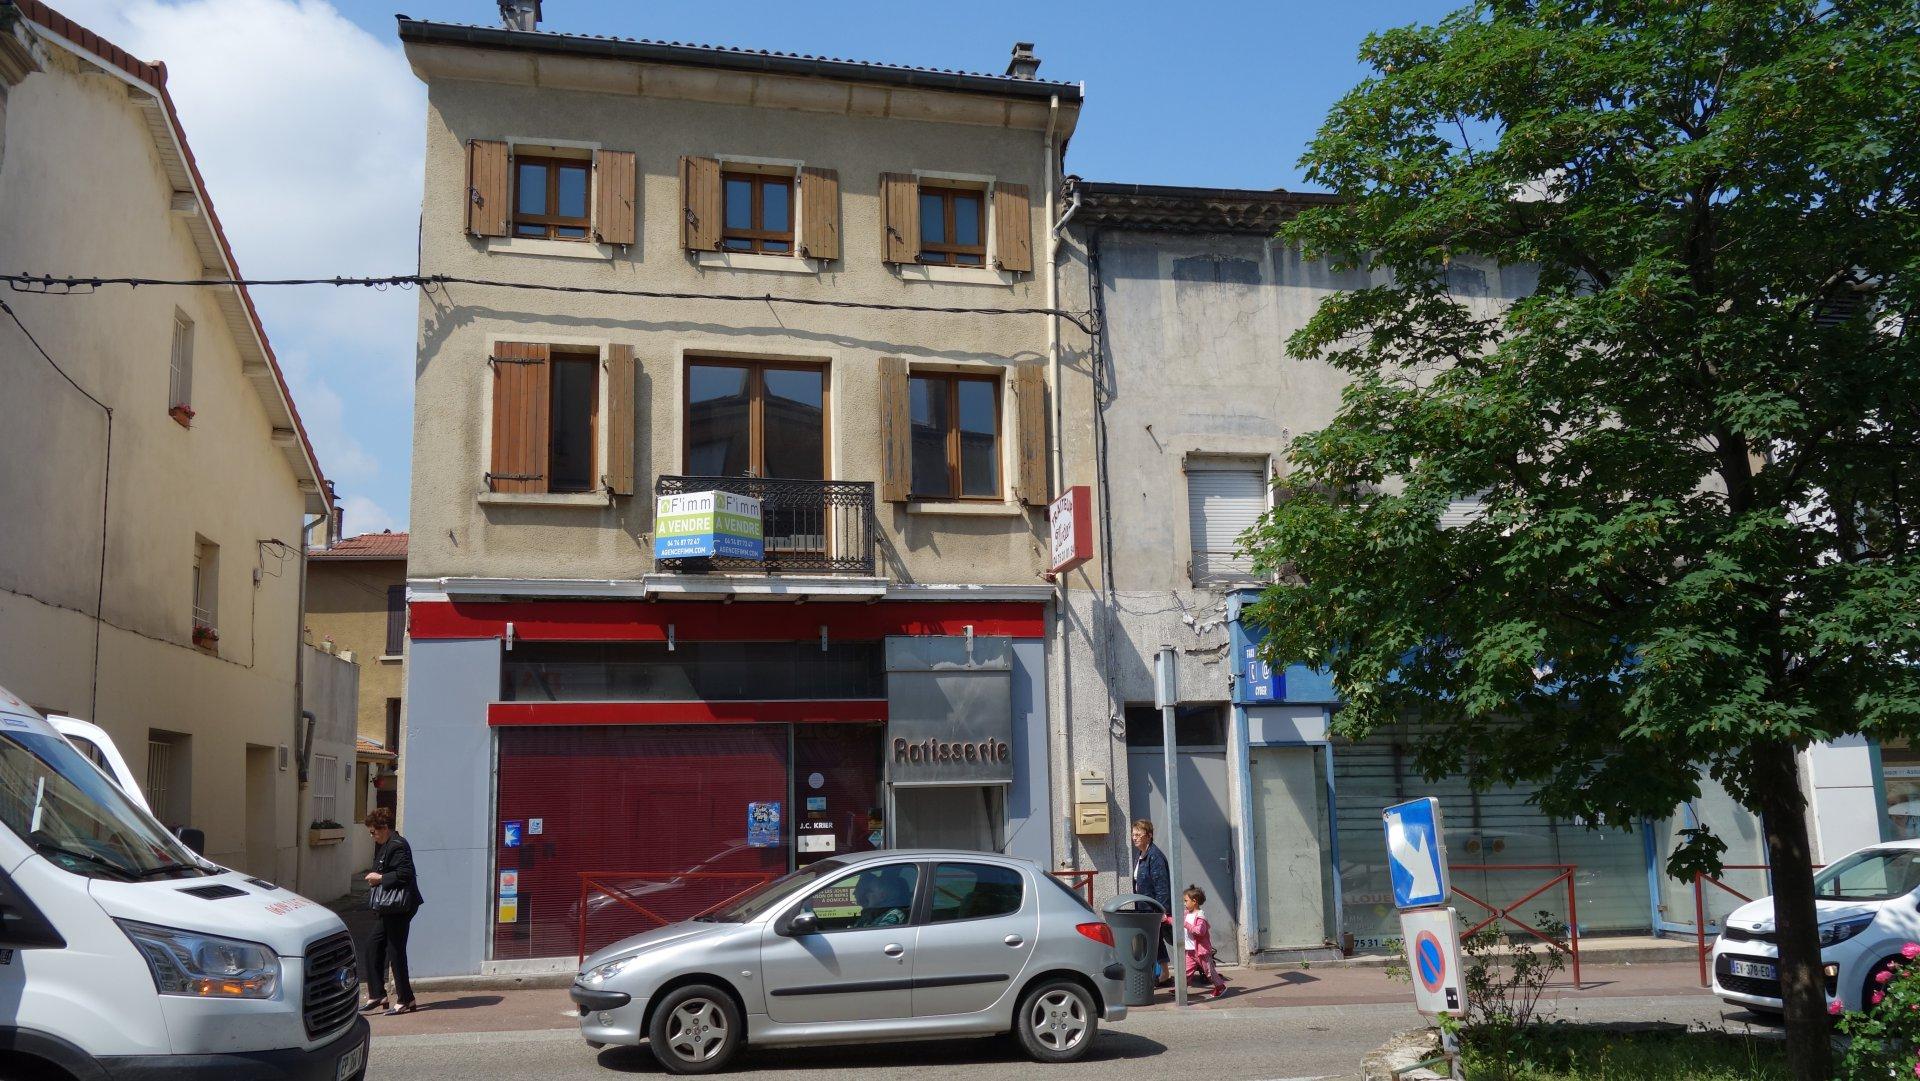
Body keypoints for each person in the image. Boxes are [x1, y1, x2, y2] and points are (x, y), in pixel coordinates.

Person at [361, 807, 424, 1015]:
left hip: (400, 907)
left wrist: (379, 878)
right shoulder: (388, 844)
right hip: (390, 908)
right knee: (372, 945)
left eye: (373, 832)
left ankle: (406, 999)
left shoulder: (397, 845)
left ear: (384, 828)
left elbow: (405, 873)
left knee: (395, 950)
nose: (372, 836)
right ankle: (377, 994)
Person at [1130, 818, 1172, 983]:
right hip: (1143, 907)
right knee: (1154, 940)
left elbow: (1162, 885)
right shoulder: (1141, 854)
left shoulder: (1155, 856)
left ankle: (1163, 973)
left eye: (1138, 834)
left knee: (1156, 940)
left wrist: (1161, 910)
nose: (1134, 838)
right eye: (1133, 834)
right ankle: (1163, 973)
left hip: (1153, 908)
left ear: (1148, 835)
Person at [1179, 885, 1228, 998]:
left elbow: (1199, 931)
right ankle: (1180, 990)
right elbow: (1178, 921)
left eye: (1186, 901)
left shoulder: (1200, 917)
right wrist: (1167, 919)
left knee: (1209, 972)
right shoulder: (1186, 914)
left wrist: (1185, 924)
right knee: (1186, 971)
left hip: (1201, 952)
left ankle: (1220, 987)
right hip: (1190, 951)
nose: (1184, 903)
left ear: (1194, 901)